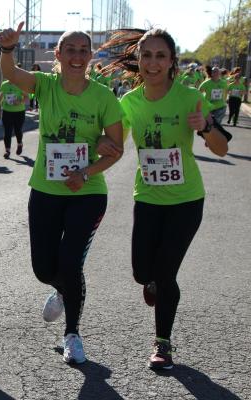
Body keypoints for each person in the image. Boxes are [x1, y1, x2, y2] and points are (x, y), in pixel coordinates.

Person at [99, 28, 228, 370]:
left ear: (172, 62)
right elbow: (114, 142)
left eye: (160, 56)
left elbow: (221, 147)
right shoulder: (129, 101)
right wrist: (100, 144)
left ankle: (163, 343)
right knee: (143, 272)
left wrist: (206, 128)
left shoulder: (189, 98)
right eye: (147, 56)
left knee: (167, 271)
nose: (153, 62)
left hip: (186, 201)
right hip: (148, 198)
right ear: (138, 60)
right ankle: (153, 281)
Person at [0, 23, 124, 364]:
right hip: (46, 190)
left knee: (70, 261)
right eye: (71, 49)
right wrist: (8, 50)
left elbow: (116, 150)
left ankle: (72, 334)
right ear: (58, 55)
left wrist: (87, 171)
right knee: (43, 267)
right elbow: (11, 74)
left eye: (84, 50)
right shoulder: (46, 85)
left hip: (88, 191)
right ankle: (63, 289)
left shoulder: (103, 96)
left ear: (90, 56)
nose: (77, 56)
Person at [0, 63, 28, 158]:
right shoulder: (4, 84)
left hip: (19, 111)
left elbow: (26, 98)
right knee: (7, 131)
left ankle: (20, 143)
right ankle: (7, 150)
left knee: (17, 130)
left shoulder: (21, 84)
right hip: (7, 111)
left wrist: (19, 101)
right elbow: (1, 95)